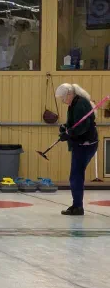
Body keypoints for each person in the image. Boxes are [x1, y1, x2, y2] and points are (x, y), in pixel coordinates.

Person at [56, 83, 100, 216]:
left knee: (76, 176)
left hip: (85, 145)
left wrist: (69, 134)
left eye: (63, 98)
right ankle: (76, 205)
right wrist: (66, 127)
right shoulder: (74, 104)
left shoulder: (80, 104)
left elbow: (83, 127)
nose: (63, 101)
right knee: (76, 175)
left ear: (70, 94)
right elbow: (75, 123)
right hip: (81, 144)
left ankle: (78, 207)